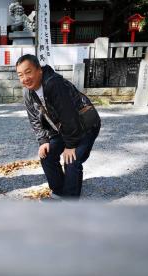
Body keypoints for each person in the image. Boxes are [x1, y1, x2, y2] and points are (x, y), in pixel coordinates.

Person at [16, 54, 100, 199]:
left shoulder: (54, 83)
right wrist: (43, 141)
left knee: (71, 159)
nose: (25, 78)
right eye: (20, 75)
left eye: (28, 72)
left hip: (85, 124)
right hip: (63, 128)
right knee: (47, 155)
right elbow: (34, 119)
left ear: (39, 70)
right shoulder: (28, 93)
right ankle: (59, 191)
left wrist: (70, 145)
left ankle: (70, 199)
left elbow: (69, 115)